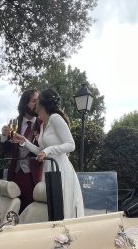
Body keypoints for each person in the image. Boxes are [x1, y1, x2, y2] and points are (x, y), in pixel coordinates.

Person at [10, 88, 85, 219]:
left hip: (60, 169)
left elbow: (71, 145)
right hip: (48, 171)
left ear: (42, 103)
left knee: (62, 209)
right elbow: (41, 151)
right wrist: (24, 141)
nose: (35, 104)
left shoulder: (55, 118)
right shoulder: (43, 123)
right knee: (51, 208)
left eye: (37, 101)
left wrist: (48, 150)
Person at [1, 88, 44, 212]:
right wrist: (4, 136)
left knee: (29, 211)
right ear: (25, 103)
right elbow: (5, 150)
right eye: (33, 101)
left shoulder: (42, 124)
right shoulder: (14, 122)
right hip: (14, 174)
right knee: (12, 210)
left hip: (33, 175)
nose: (37, 104)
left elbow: (43, 149)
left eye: (38, 101)